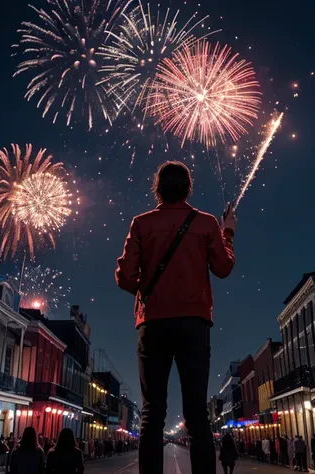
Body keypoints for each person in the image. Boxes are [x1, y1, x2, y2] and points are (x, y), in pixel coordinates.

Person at [116, 161, 236, 474]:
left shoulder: (141, 223)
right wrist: (228, 233)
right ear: (188, 187)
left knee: (151, 412)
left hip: (153, 324)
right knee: (197, 412)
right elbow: (223, 269)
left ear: (157, 187)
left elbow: (125, 276)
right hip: (195, 325)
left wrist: (148, 292)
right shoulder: (207, 223)